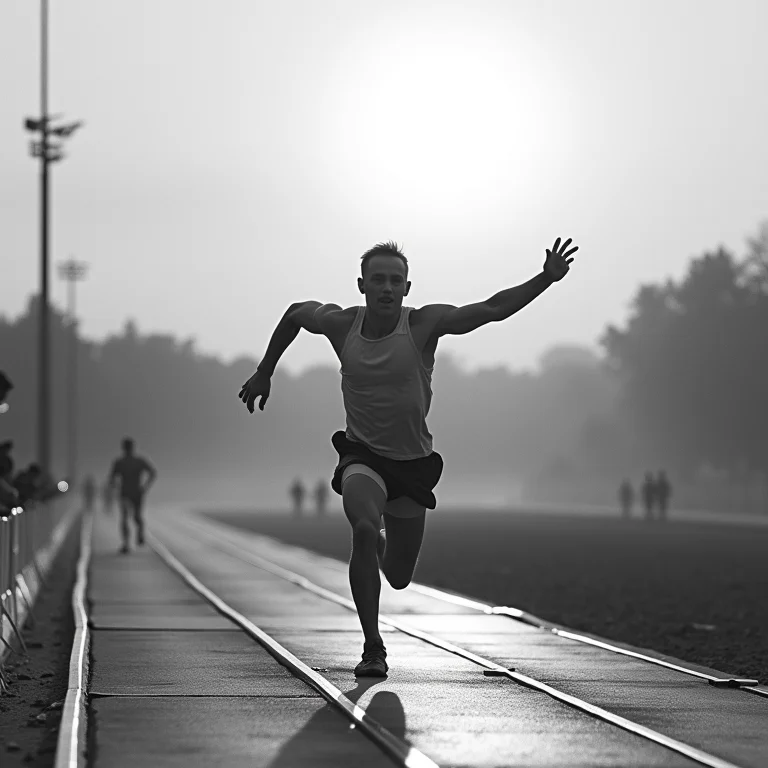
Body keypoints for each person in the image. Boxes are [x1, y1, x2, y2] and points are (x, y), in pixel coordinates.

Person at [238, 237, 577, 676]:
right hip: (362, 455)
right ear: (361, 285)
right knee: (362, 525)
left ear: (407, 287)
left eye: (394, 281)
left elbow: (490, 309)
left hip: (411, 464)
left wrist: (545, 279)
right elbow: (295, 314)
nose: (386, 288)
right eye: (377, 279)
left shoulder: (422, 325)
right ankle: (373, 646)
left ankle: (381, 542)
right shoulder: (342, 325)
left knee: (398, 576)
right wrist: (265, 371)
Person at [108, 438, 157, 554]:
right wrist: (145, 487)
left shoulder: (135, 461)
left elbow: (153, 473)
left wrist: (145, 487)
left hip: (134, 493)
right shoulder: (121, 462)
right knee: (126, 517)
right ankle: (126, 543)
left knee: (134, 517)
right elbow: (112, 477)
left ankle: (137, 533)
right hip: (129, 493)